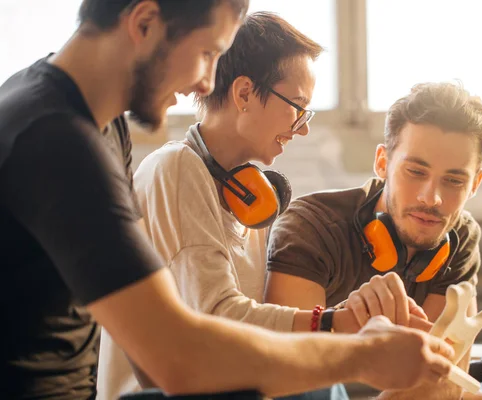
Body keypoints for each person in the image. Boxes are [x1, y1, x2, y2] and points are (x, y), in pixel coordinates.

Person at [0, 1, 456, 399]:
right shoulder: (55, 139)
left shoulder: (96, 126)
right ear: (144, 23)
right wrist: (359, 352)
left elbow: (159, 335)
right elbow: (177, 358)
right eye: (206, 53)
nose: (205, 83)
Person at [265, 82, 482, 399]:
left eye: (454, 181)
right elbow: (284, 374)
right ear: (382, 162)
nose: (432, 199)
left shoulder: (460, 236)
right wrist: (345, 324)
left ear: (475, 184)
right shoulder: (311, 228)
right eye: (416, 171)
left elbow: (437, 383)